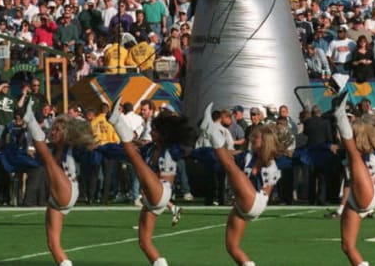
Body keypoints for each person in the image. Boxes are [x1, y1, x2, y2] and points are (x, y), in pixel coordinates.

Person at [108, 98, 196, 266]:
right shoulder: (148, 149)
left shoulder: (172, 149)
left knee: (134, 156)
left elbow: (189, 149)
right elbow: (134, 148)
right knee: (144, 242)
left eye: (155, 130)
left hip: (162, 191)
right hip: (151, 200)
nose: (152, 132)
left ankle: (116, 121)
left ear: (164, 134)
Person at [203, 102, 282, 266]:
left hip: (256, 201)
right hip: (243, 205)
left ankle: (210, 129)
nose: (252, 139)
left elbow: (235, 166)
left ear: (265, 141)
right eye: (252, 136)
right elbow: (231, 154)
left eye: (256, 138)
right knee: (231, 246)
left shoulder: (270, 162)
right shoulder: (249, 155)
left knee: (230, 167)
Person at [23, 101, 95, 266]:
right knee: (52, 243)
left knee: (47, 157)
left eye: (57, 130)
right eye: (52, 129)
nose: (52, 132)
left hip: (68, 189)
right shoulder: (52, 148)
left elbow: (88, 150)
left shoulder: (73, 147)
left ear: (66, 133)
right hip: (56, 198)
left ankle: (31, 120)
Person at [333, 93, 375, 266]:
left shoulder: (358, 151)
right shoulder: (362, 150)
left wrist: (339, 113)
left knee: (353, 154)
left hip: (364, 193)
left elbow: (347, 137)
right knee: (347, 246)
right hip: (360, 195)